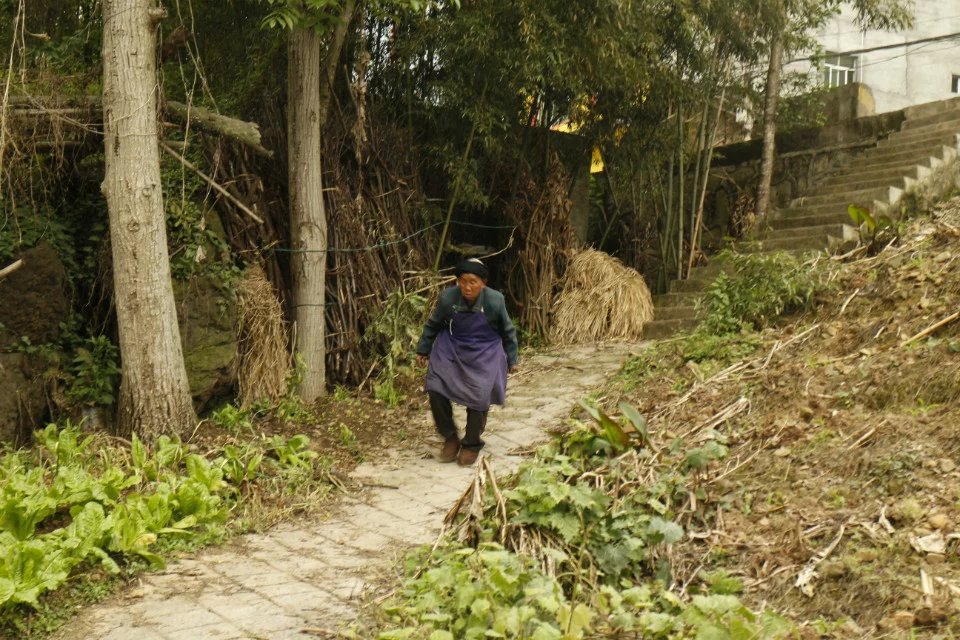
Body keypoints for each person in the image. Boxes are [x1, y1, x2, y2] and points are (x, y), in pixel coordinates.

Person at [415, 258, 518, 466]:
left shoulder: (495, 301)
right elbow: (433, 324)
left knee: (480, 394)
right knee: (435, 387)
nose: (467, 287)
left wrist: (512, 358)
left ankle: (471, 443)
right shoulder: (448, 298)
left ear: (483, 283)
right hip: (453, 345)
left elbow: (508, 331)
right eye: (462, 281)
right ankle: (450, 437)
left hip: (486, 349)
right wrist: (423, 349)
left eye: (473, 282)